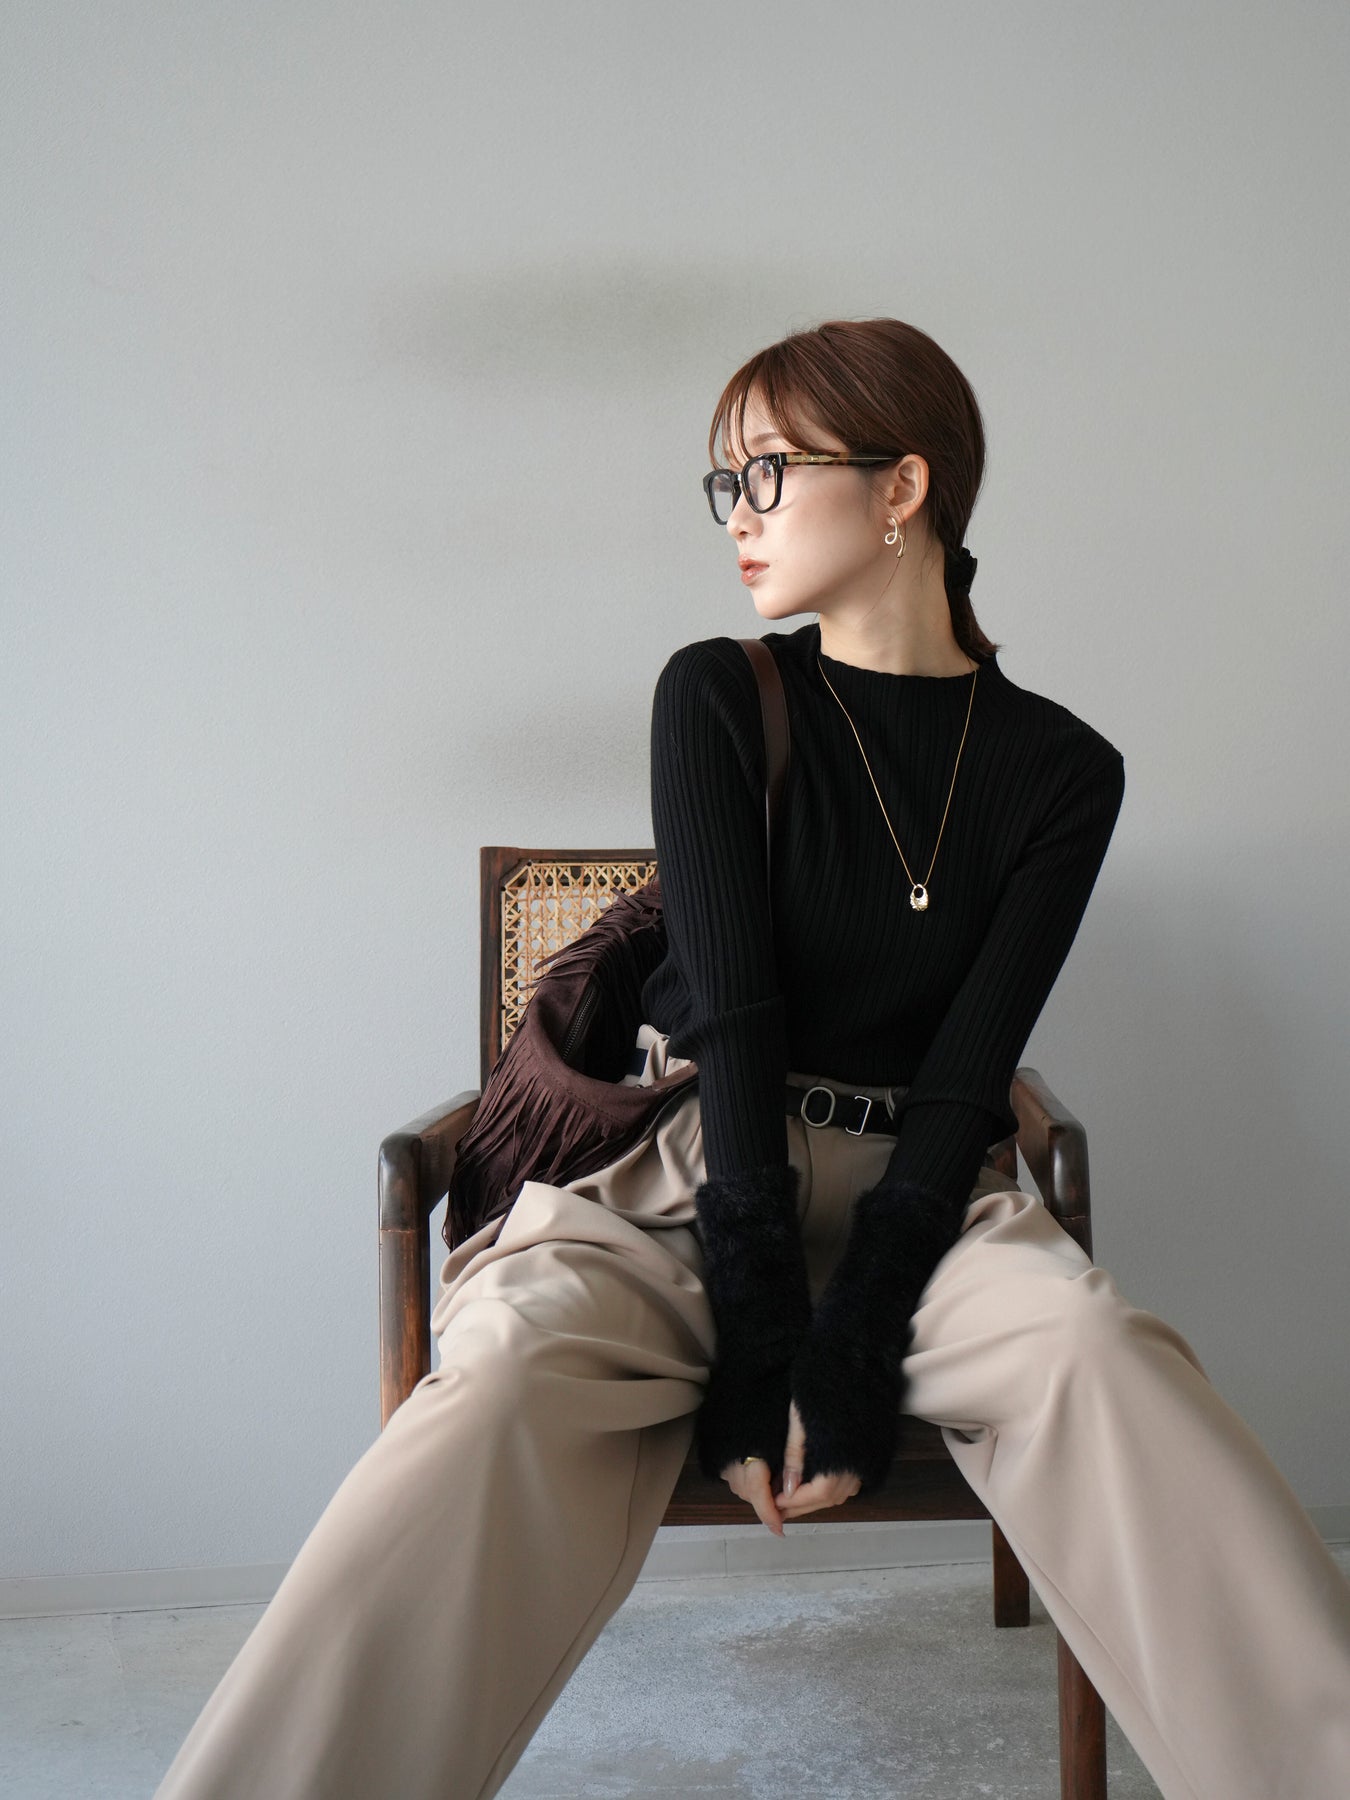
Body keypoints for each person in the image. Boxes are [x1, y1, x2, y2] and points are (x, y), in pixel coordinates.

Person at [153, 318, 1350, 1800]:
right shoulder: (718, 694)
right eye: (726, 481)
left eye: (770, 471)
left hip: (928, 1194)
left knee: (1096, 1353)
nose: (740, 514)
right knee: (509, 1369)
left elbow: (970, 1070)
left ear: (902, 486)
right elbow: (730, 1020)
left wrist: (853, 1337)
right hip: (683, 1181)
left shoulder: (1062, 772)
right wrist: (762, 1331)